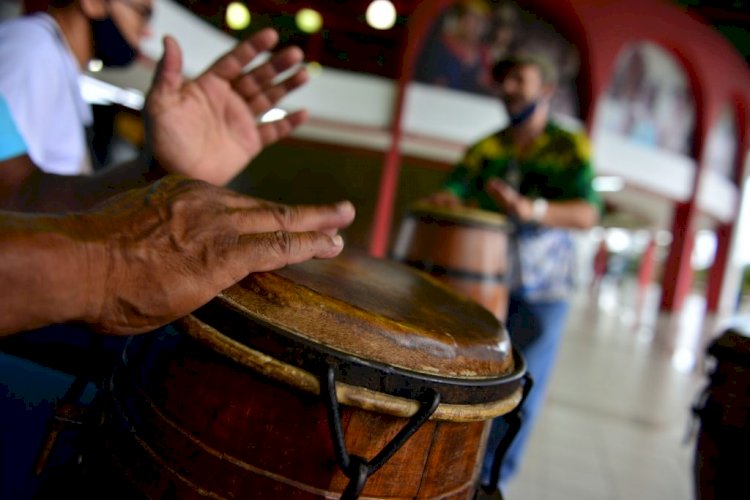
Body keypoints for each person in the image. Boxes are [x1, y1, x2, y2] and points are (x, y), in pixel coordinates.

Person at [423, 53, 601, 492]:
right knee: (474, 376)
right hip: (482, 279)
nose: (508, 89)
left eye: (519, 79)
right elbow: (456, 186)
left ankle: (488, 480)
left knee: (524, 389)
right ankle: (453, 467)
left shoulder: (568, 147)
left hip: (544, 290)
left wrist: (531, 209)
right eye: (503, 81)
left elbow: (586, 213)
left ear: (546, 90)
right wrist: (447, 198)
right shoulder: (487, 148)